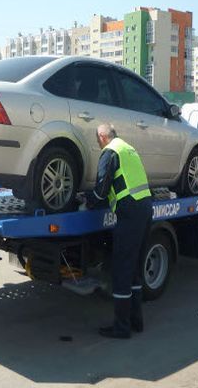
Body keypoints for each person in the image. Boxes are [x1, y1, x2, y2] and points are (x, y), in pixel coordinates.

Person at [85, 123, 153, 339]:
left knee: (122, 269)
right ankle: (136, 322)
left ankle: (122, 328)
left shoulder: (110, 152)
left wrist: (88, 201)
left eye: (97, 139)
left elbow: (102, 189)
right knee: (134, 269)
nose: (98, 143)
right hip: (145, 208)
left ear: (102, 136)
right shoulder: (128, 149)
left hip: (130, 212)